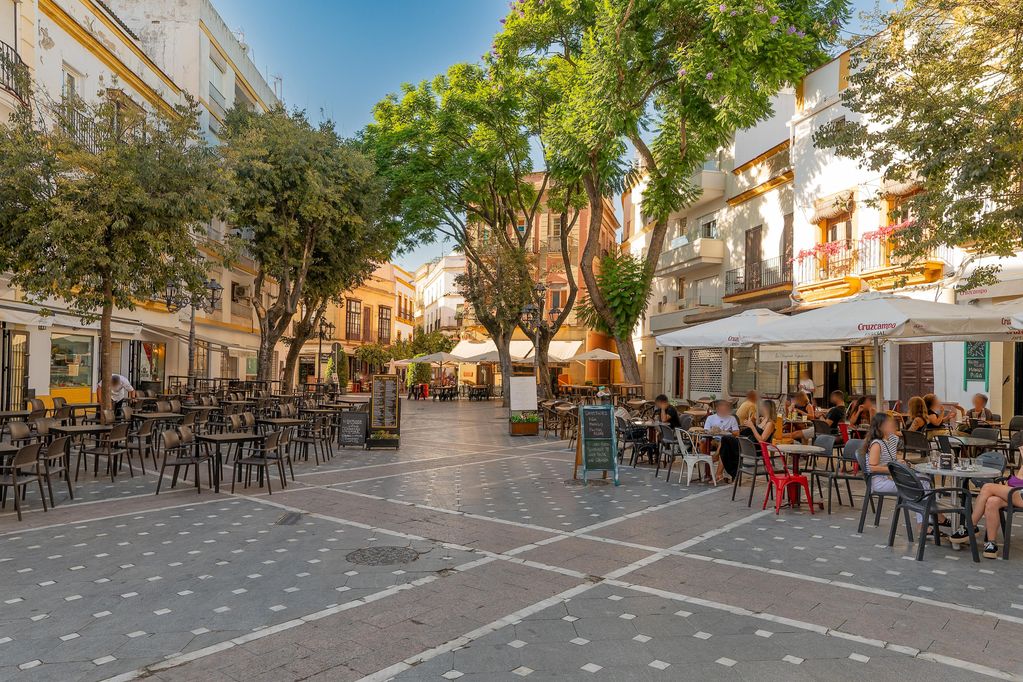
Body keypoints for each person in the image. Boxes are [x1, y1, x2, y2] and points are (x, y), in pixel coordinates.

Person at [861, 413, 945, 529]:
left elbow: (889, 460)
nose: (893, 425)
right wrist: (894, 469)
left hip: (891, 478)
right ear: (881, 427)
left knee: (924, 480)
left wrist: (899, 462)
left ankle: (932, 518)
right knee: (919, 484)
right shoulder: (877, 444)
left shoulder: (891, 440)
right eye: (889, 423)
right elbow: (872, 467)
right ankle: (930, 520)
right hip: (879, 482)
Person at [950, 457, 1023, 558]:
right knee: (992, 502)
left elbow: (1020, 480)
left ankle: (971, 527)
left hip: (1020, 494)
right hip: (1018, 494)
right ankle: (991, 543)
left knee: (987, 487)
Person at [705, 400, 739, 482]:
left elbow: (737, 433)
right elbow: (705, 431)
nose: (724, 412)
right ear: (717, 409)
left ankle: (716, 457)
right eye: (722, 409)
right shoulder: (710, 418)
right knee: (702, 443)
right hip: (713, 439)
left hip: (727, 441)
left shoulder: (732, 418)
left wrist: (728, 432)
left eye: (725, 410)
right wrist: (714, 431)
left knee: (724, 443)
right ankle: (707, 471)